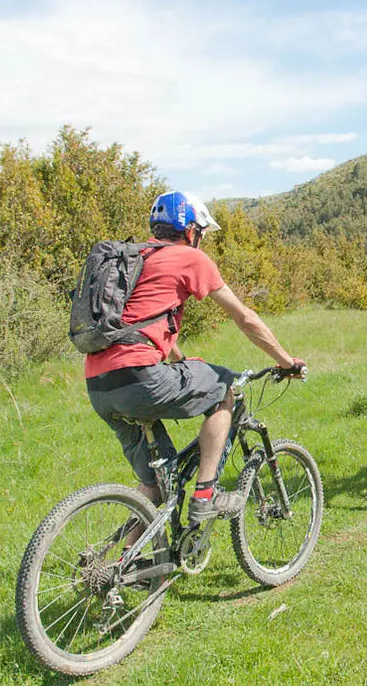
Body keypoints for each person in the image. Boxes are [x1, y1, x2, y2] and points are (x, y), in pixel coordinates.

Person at [84, 191, 304, 525]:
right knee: (224, 389)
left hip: (99, 386)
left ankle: (121, 564)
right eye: (200, 232)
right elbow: (245, 318)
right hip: (141, 378)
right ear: (190, 230)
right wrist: (287, 362)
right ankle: (207, 495)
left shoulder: (136, 259)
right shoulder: (189, 258)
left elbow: (144, 323)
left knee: (156, 486)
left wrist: (181, 360)